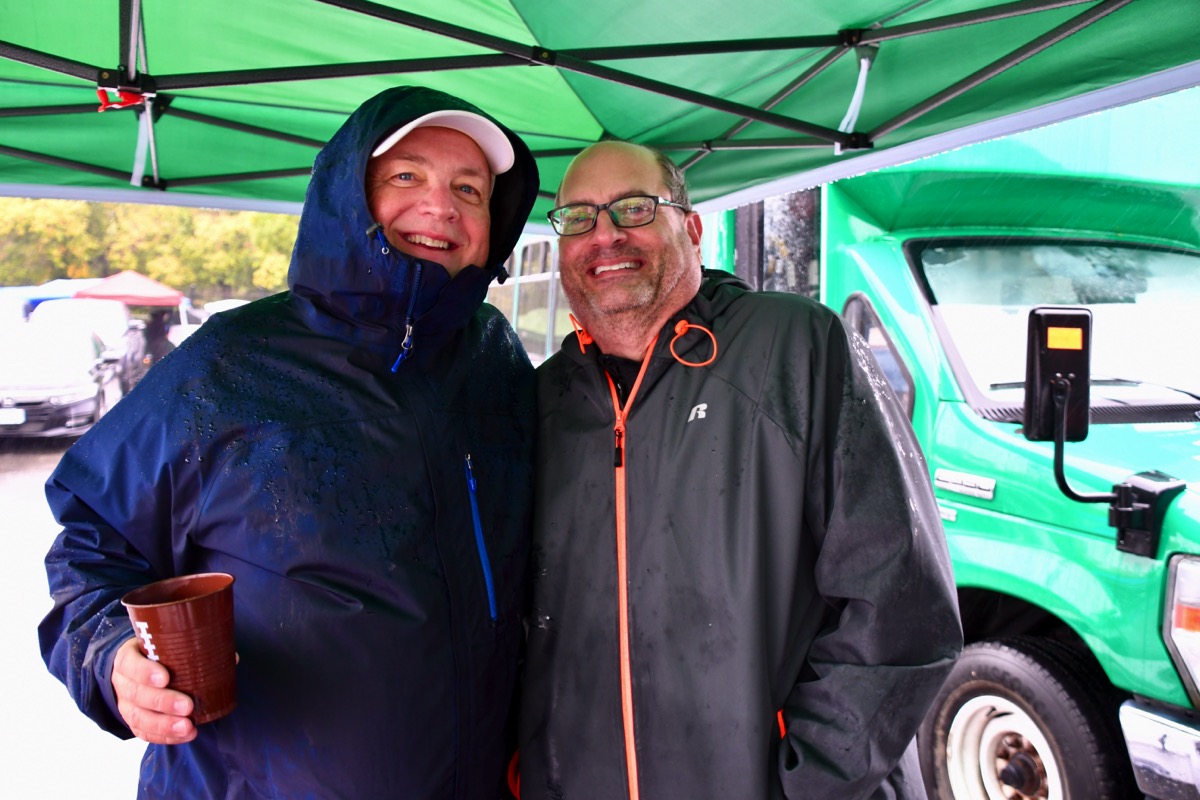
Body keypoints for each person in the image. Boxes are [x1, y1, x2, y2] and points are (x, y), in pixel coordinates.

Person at [39, 85, 539, 798]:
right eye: (406, 176)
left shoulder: (495, 357)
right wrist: (113, 656)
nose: (441, 206)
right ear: (347, 197)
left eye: (470, 188)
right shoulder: (228, 366)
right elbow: (92, 543)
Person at [518, 141, 963, 799]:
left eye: (634, 208)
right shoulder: (542, 401)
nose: (605, 234)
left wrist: (806, 785)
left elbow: (900, 606)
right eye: (579, 217)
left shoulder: (797, 347)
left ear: (692, 228)